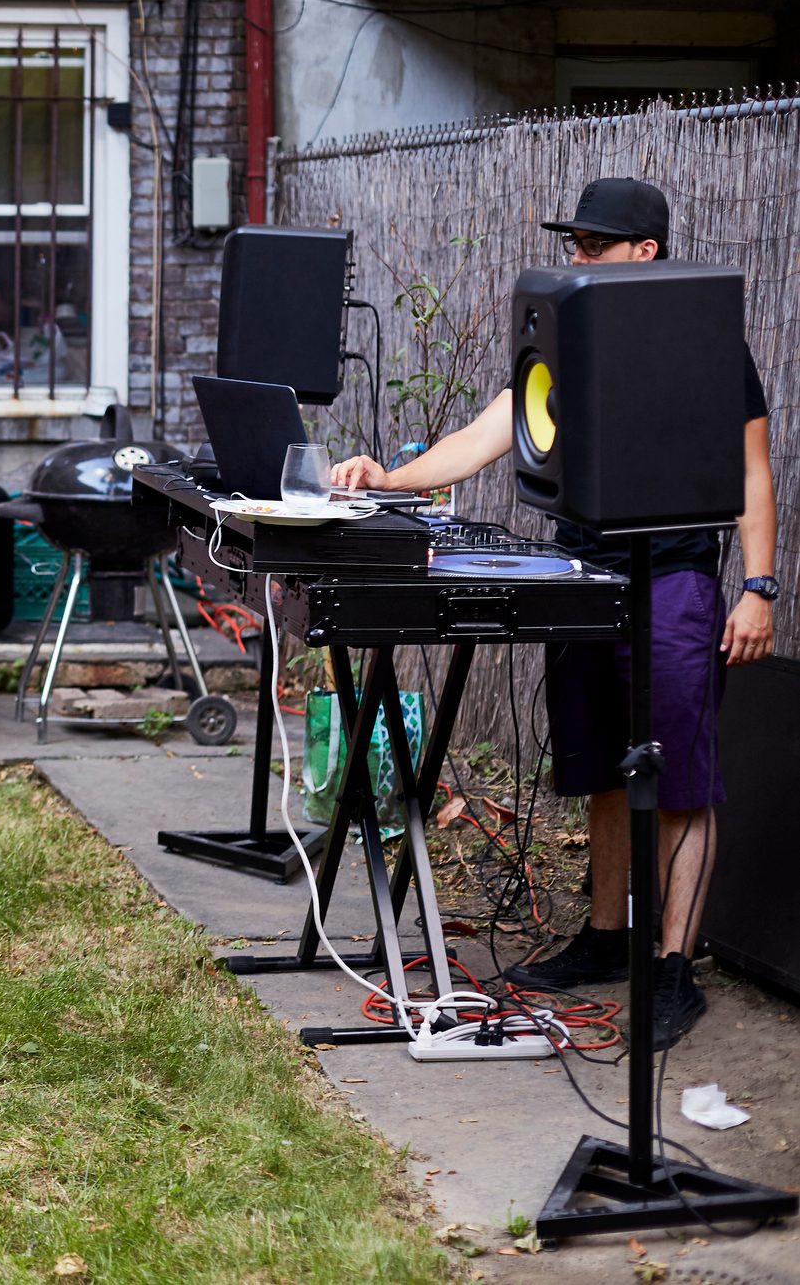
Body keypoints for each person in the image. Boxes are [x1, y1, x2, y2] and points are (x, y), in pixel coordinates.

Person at [329, 177, 777, 1050]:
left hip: (673, 579)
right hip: (579, 574)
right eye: (571, 243)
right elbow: (490, 427)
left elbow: (751, 470)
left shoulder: (706, 342)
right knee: (603, 768)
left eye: (592, 245)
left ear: (643, 252)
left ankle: (672, 968)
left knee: (676, 775)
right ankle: (604, 939)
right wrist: (388, 477)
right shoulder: (566, 337)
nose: (575, 257)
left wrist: (757, 588)